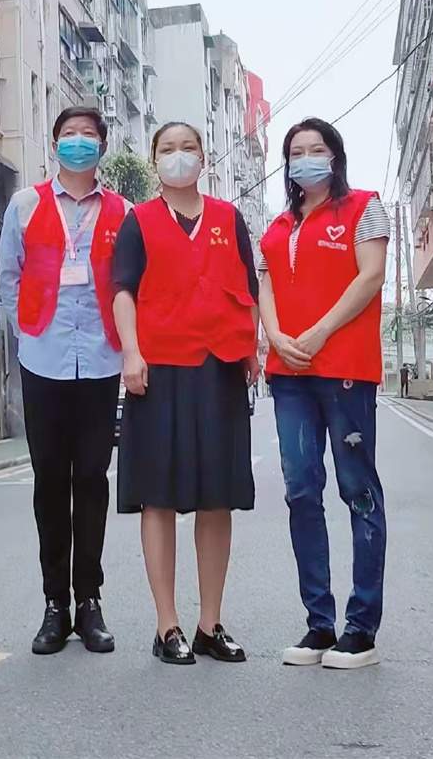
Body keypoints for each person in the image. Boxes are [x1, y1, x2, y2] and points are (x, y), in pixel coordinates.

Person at [113, 122, 259, 665]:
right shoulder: (139, 220)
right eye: (168, 149)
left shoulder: (228, 218)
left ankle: (209, 623)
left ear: (204, 156)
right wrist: (131, 352)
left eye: (189, 147)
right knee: (158, 495)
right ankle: (167, 625)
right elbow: (122, 291)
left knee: (217, 496)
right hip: (158, 371)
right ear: (155, 160)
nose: (179, 156)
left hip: (219, 368)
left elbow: (248, 288)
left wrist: (250, 349)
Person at [0, 107, 131, 655]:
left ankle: (90, 601)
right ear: (55, 144)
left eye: (88, 135)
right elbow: (8, 274)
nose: (78, 142)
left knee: (92, 481)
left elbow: (132, 284)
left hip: (100, 360)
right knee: (50, 483)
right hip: (44, 360)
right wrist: (27, 332)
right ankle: (55, 605)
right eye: (69, 135)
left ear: (102, 145)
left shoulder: (123, 211)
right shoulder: (25, 204)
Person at [259, 117, 389, 669]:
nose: (306, 158)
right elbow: (264, 285)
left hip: (344, 370)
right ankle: (319, 624)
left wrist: (319, 332)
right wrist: (276, 336)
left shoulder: (364, 207)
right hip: (288, 374)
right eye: (296, 152)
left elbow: (371, 276)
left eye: (316, 149)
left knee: (358, 491)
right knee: (300, 492)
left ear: (335, 156)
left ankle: (361, 628)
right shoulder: (276, 226)